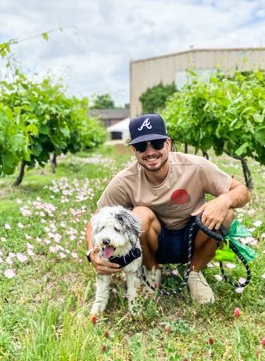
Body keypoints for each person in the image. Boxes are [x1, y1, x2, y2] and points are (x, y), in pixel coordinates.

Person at [84, 113, 251, 304]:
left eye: (156, 143)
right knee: (139, 215)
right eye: (141, 146)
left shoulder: (195, 166)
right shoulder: (124, 180)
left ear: (168, 143)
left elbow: (242, 192)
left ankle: (194, 273)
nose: (150, 151)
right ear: (133, 150)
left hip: (194, 237)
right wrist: (92, 253)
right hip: (153, 243)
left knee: (227, 213)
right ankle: (152, 271)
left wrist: (224, 200)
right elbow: (94, 220)